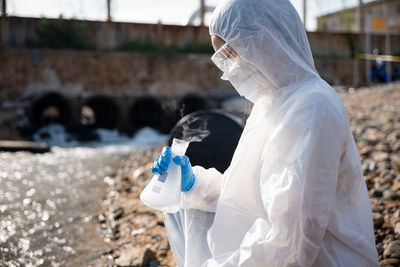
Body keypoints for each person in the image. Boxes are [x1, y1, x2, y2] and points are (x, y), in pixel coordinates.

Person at [150, 0, 379, 266]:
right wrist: (196, 185)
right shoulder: (270, 104)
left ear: (263, 36)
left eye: (229, 53)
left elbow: (291, 244)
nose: (227, 69)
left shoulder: (313, 107)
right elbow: (254, 195)